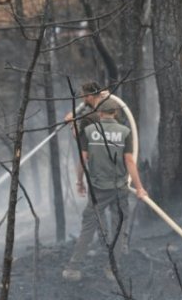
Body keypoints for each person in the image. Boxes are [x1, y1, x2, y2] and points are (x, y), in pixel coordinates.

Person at [62, 97, 148, 282]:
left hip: (97, 190)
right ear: (115, 113)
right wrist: (139, 188)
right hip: (119, 189)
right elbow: (130, 161)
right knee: (118, 228)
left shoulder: (90, 131)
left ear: (100, 113)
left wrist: (79, 181)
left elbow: (83, 159)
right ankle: (111, 269)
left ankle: (73, 269)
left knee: (88, 228)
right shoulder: (125, 132)